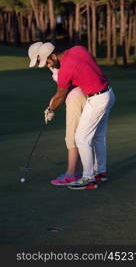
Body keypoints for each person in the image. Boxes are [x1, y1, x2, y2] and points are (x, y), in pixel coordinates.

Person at [38, 43, 115, 190]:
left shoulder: (65, 70)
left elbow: (60, 94)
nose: (48, 65)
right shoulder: (78, 49)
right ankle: (100, 172)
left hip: (97, 99)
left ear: (53, 56)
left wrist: (50, 109)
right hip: (109, 93)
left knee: (81, 138)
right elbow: (91, 62)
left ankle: (88, 178)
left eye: (47, 61)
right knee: (98, 136)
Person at [28, 42, 86, 185]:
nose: (42, 64)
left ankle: (71, 174)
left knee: (72, 137)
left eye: (39, 60)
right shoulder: (53, 64)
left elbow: (62, 92)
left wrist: (52, 108)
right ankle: (77, 171)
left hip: (76, 98)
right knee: (76, 136)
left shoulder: (58, 64)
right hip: (75, 97)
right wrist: (50, 106)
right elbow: (59, 92)